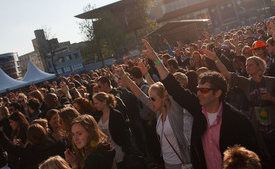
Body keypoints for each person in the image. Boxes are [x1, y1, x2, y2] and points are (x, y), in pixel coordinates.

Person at [142, 39, 259, 169]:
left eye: (204, 90)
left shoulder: (239, 122)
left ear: (217, 93)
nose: (198, 93)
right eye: (198, 89)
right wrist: (156, 60)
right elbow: (175, 88)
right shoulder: (198, 110)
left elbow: (252, 160)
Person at [119, 68, 192, 169]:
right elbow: (139, 94)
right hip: (167, 162)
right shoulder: (158, 112)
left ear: (165, 96)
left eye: (153, 99)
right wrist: (124, 76)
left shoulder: (175, 111)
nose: (150, 101)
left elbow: (168, 89)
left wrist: (156, 61)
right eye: (150, 98)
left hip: (181, 162)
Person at [92, 92, 131, 168]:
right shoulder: (97, 115)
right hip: (106, 151)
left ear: (104, 102)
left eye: (97, 103)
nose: (95, 105)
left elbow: (123, 133)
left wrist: (126, 148)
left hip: (118, 149)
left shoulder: (116, 115)